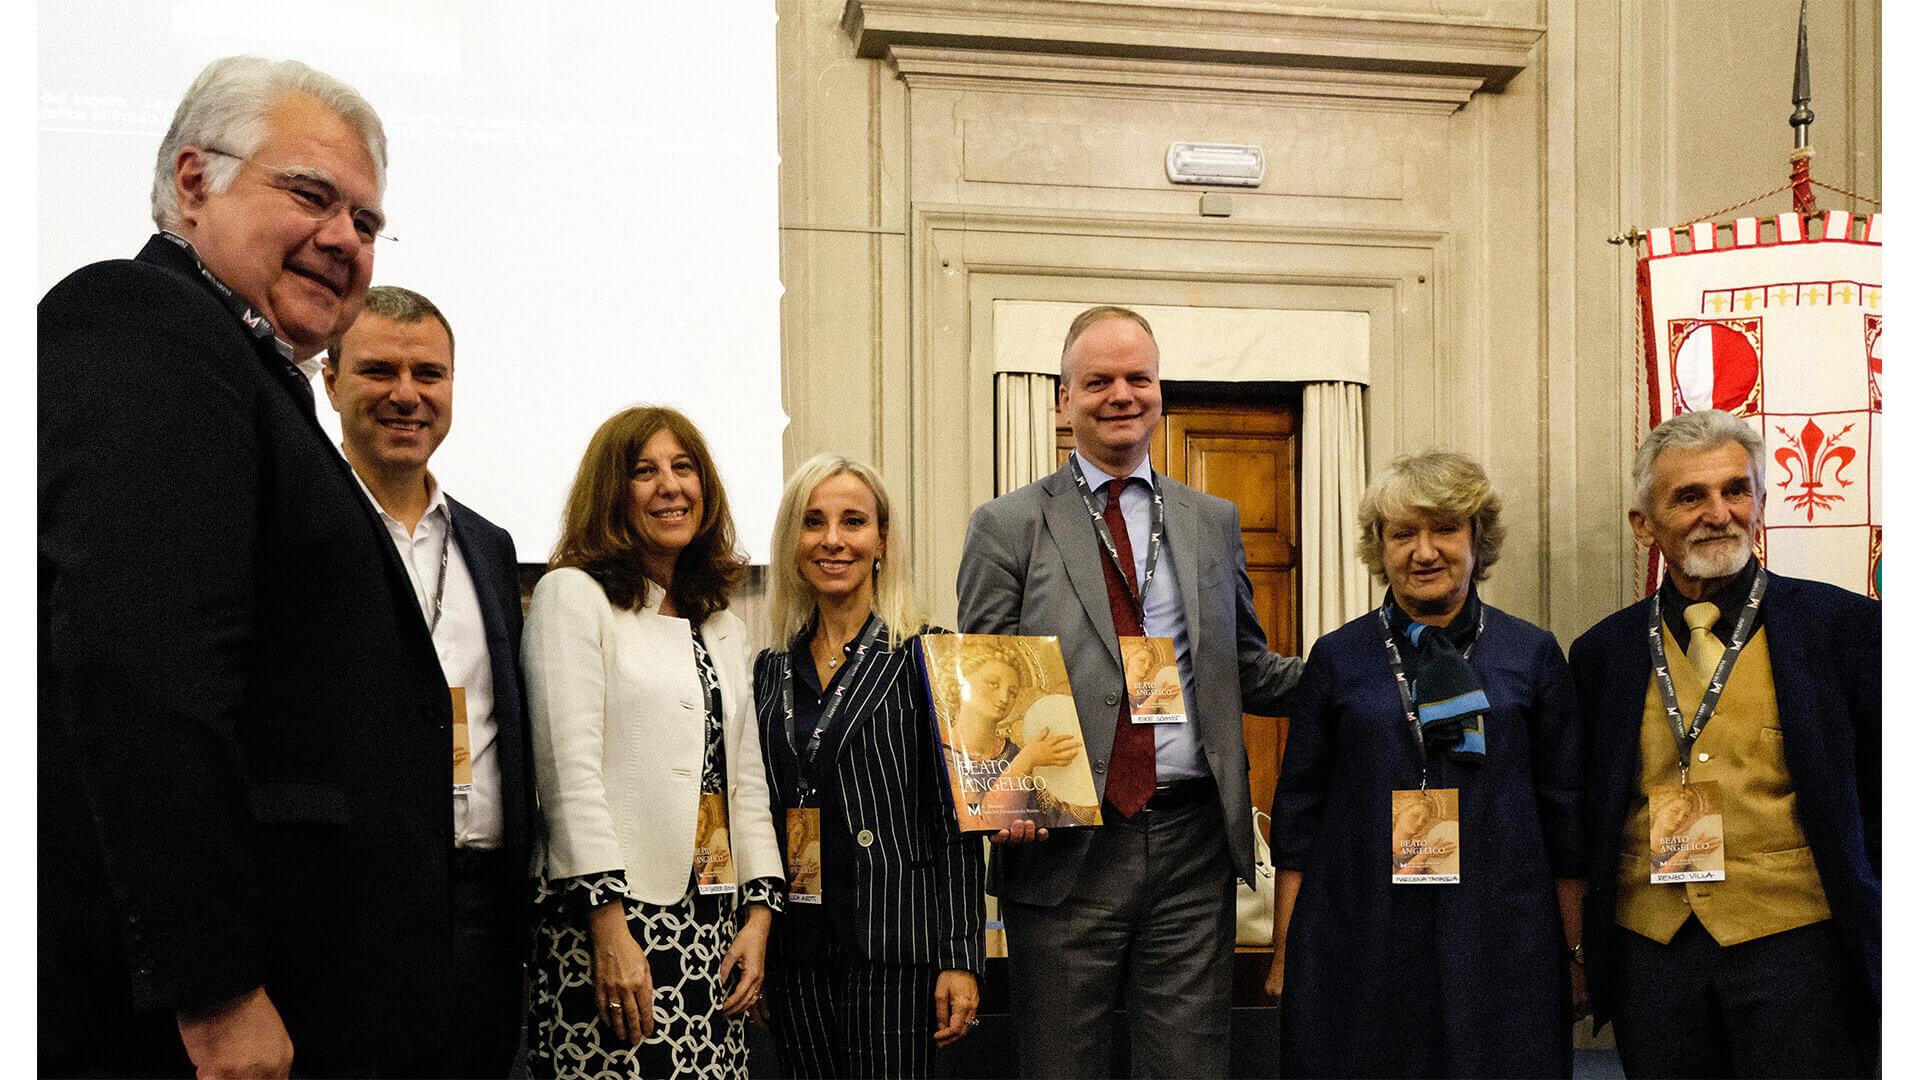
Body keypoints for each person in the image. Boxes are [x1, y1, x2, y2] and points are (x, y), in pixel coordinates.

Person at [39, 56, 465, 1078]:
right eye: (310, 196)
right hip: (212, 1025)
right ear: (195, 183)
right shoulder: (143, 323)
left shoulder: (255, 378)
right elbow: (147, 672)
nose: (343, 240)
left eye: (366, 222)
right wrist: (215, 990)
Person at [956, 304, 1302, 1077]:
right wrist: (1002, 797)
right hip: (1063, 848)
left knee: (1188, 1066)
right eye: (1098, 380)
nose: (1121, 394)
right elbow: (984, 682)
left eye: (1137, 378)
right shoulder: (1007, 526)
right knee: (1061, 1066)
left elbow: (1243, 666)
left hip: (1190, 846)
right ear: (1063, 399)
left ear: (1159, 392)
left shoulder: (1213, 519)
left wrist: (1357, 672)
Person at [1571, 408, 1879, 1078]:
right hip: (1651, 955)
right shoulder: (1601, 654)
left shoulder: (1846, 630)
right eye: (1690, 496)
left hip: (1801, 947)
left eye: (1736, 490)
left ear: (1762, 504)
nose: (1719, 512)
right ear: (1643, 525)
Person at [1264, 451, 1584, 1077]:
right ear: (1379, 546)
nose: (1424, 551)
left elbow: (1566, 818)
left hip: (1501, 933)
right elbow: (1300, 815)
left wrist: (1575, 952)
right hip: (1362, 928)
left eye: (1444, 529)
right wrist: (1284, 952)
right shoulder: (1337, 657)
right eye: (1402, 533)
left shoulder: (1533, 654)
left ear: (1477, 540)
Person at [522, 406, 783, 1078]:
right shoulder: (571, 596)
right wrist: (609, 928)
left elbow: (744, 781)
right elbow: (567, 774)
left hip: (714, 923)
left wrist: (758, 919)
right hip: (611, 922)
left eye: (683, 467)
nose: (670, 486)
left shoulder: (720, 622)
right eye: (645, 472)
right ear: (612, 494)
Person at [322, 285, 534, 1077]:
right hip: (349, 910)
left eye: (430, 374)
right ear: (330, 379)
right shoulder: (297, 527)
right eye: (380, 370)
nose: (407, 394)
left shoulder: (487, 542)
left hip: (481, 908)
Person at [751, 453, 987, 1078]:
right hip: (797, 947)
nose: (833, 540)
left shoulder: (927, 655)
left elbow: (956, 818)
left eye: (853, 521)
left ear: (882, 540)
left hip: (897, 947)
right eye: (814, 522)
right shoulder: (769, 669)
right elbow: (761, 807)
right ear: (792, 542)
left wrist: (962, 955)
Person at [931, 638, 1091, 828]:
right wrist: (1026, 761)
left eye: (1013, 692)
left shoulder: (1018, 751)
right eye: (993, 684)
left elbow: (1055, 821)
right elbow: (980, 824)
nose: (1004, 697)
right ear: (960, 682)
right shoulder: (941, 756)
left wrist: (1087, 805)